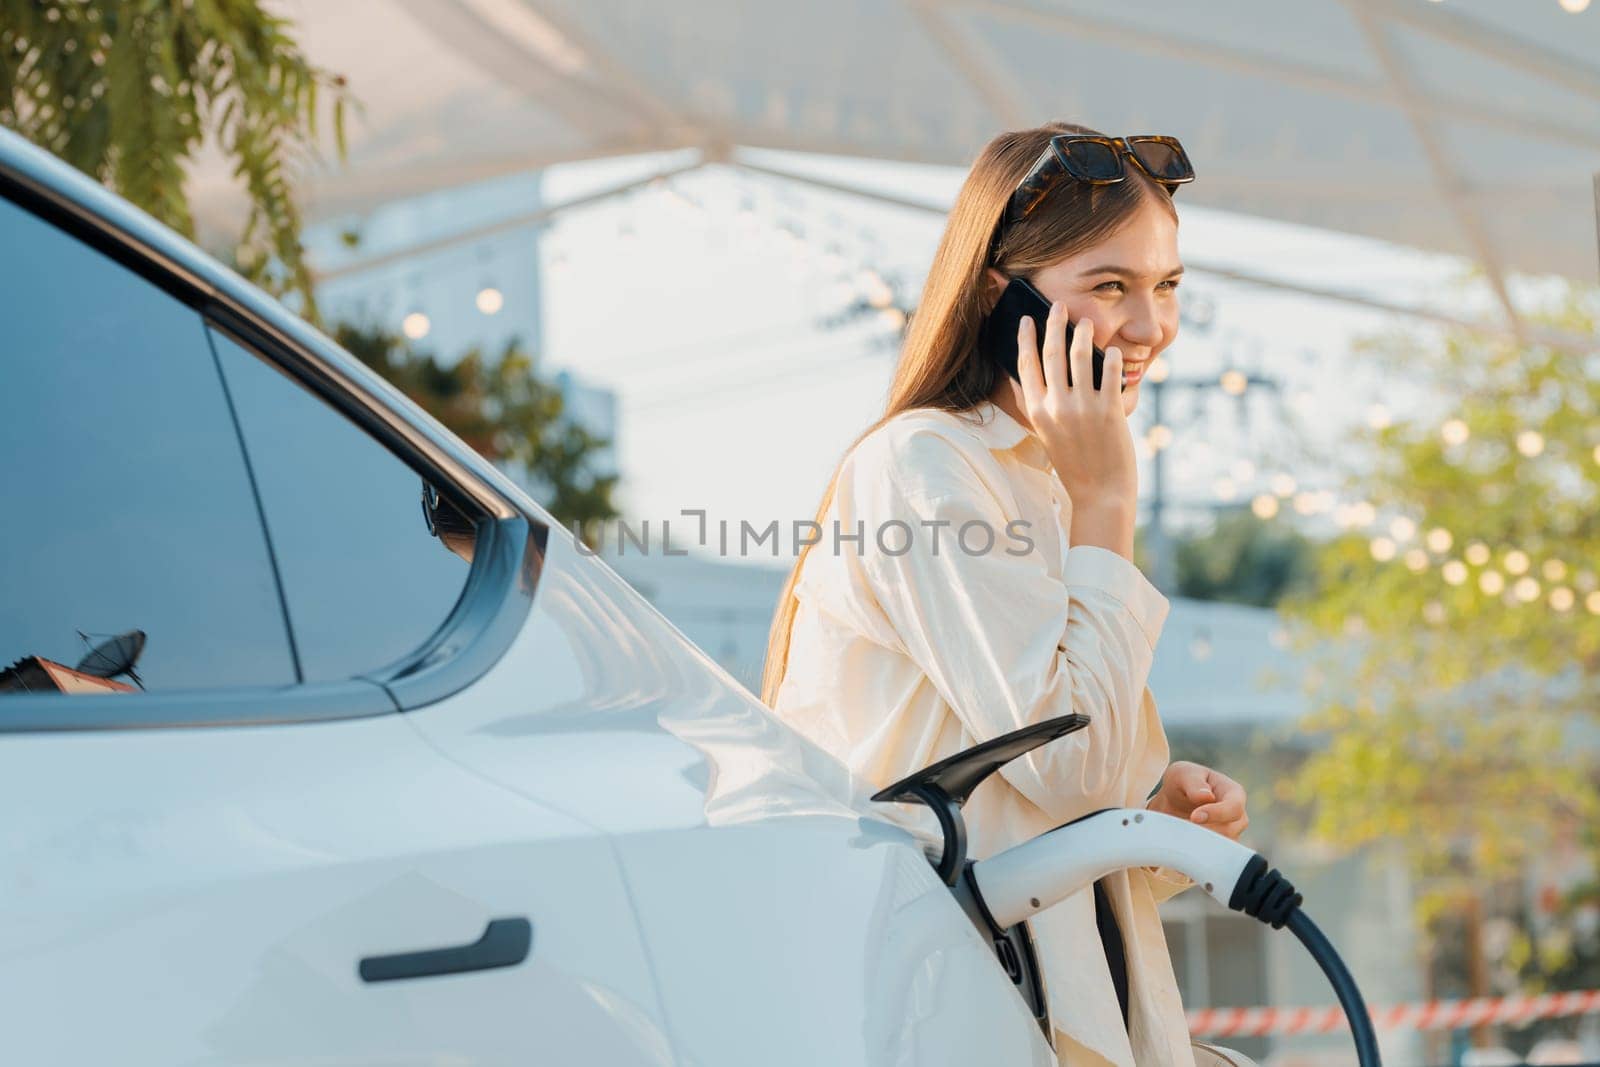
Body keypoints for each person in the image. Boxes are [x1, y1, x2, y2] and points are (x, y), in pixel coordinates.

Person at [761, 122, 1254, 1067]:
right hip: (953, 1018)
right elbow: (1063, 765)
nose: (1151, 328)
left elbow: (1058, 798)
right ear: (1003, 297)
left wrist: (1153, 818)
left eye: (1167, 287)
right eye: (1110, 287)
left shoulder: (1051, 475)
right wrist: (1109, 498)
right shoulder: (924, 467)